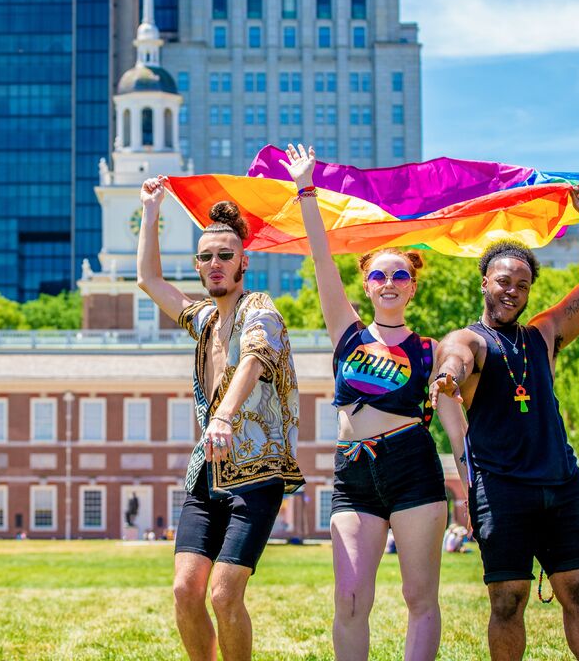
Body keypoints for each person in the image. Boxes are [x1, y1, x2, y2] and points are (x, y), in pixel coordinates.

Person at [279, 143, 449, 661]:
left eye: (400, 275)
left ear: (413, 286)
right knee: (350, 597)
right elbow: (321, 259)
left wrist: (476, 482)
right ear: (368, 286)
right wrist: (306, 188)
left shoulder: (431, 350)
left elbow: (454, 425)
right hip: (353, 471)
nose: (389, 282)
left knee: (419, 597)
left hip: (413, 467)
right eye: (379, 275)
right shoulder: (347, 334)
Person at [430, 183, 579, 661]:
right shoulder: (469, 339)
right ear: (484, 282)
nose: (512, 290)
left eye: (522, 284)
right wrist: (448, 378)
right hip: (502, 489)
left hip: (561, 482)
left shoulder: (544, 334)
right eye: (502, 281)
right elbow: (455, 358)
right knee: (507, 602)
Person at [137, 175, 305, 661]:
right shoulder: (205, 319)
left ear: (243, 262)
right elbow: (150, 281)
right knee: (186, 591)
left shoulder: (261, 309)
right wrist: (151, 213)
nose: (215, 264)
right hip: (206, 473)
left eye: (225, 256)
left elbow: (253, 358)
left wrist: (224, 417)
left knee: (224, 594)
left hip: (256, 475)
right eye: (206, 257)